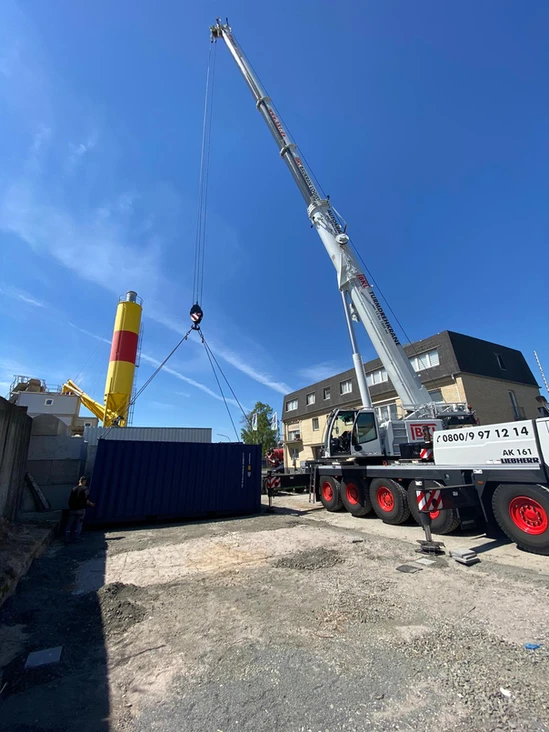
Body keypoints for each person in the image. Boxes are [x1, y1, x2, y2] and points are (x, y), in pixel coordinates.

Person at [65, 477, 95, 543]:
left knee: (69, 524)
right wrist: (91, 504)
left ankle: (66, 538)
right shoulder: (85, 489)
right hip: (81, 509)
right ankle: (77, 538)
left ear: (79, 481)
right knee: (78, 524)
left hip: (72, 509)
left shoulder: (74, 489)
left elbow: (70, 499)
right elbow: (85, 498)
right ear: (84, 481)